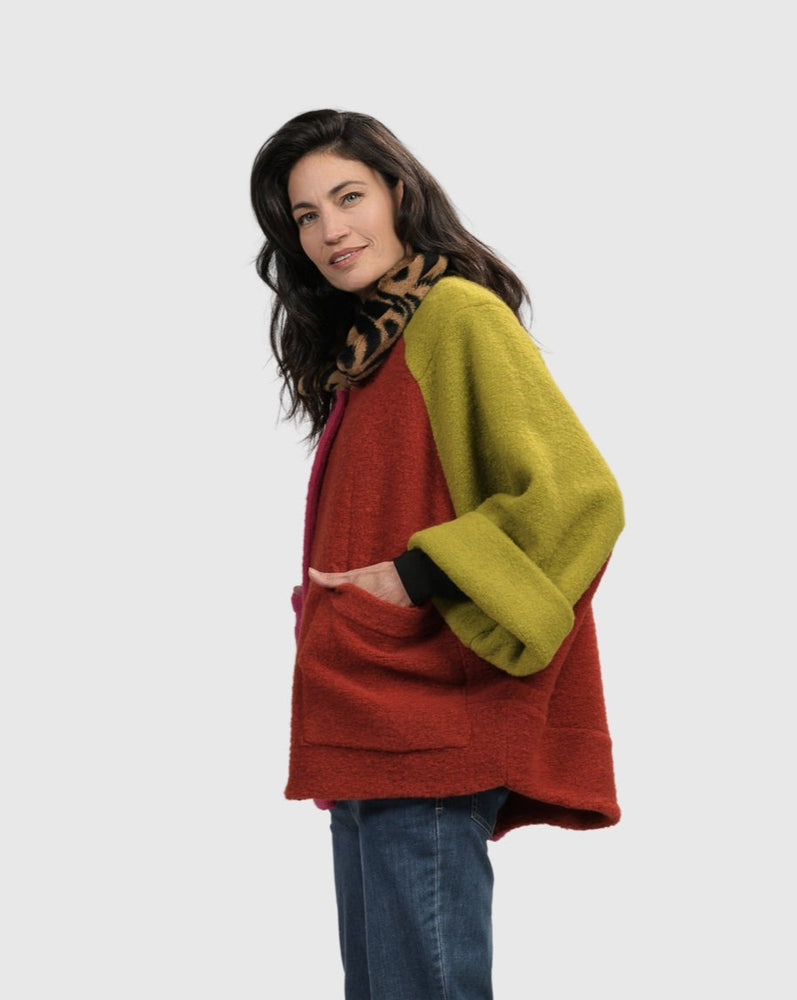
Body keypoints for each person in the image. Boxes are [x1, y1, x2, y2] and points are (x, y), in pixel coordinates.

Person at [250, 108, 624, 1000]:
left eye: (349, 197)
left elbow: (578, 497)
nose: (331, 230)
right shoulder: (369, 345)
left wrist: (415, 575)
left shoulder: (454, 315)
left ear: (398, 194)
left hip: (424, 705)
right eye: (306, 215)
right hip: (367, 706)